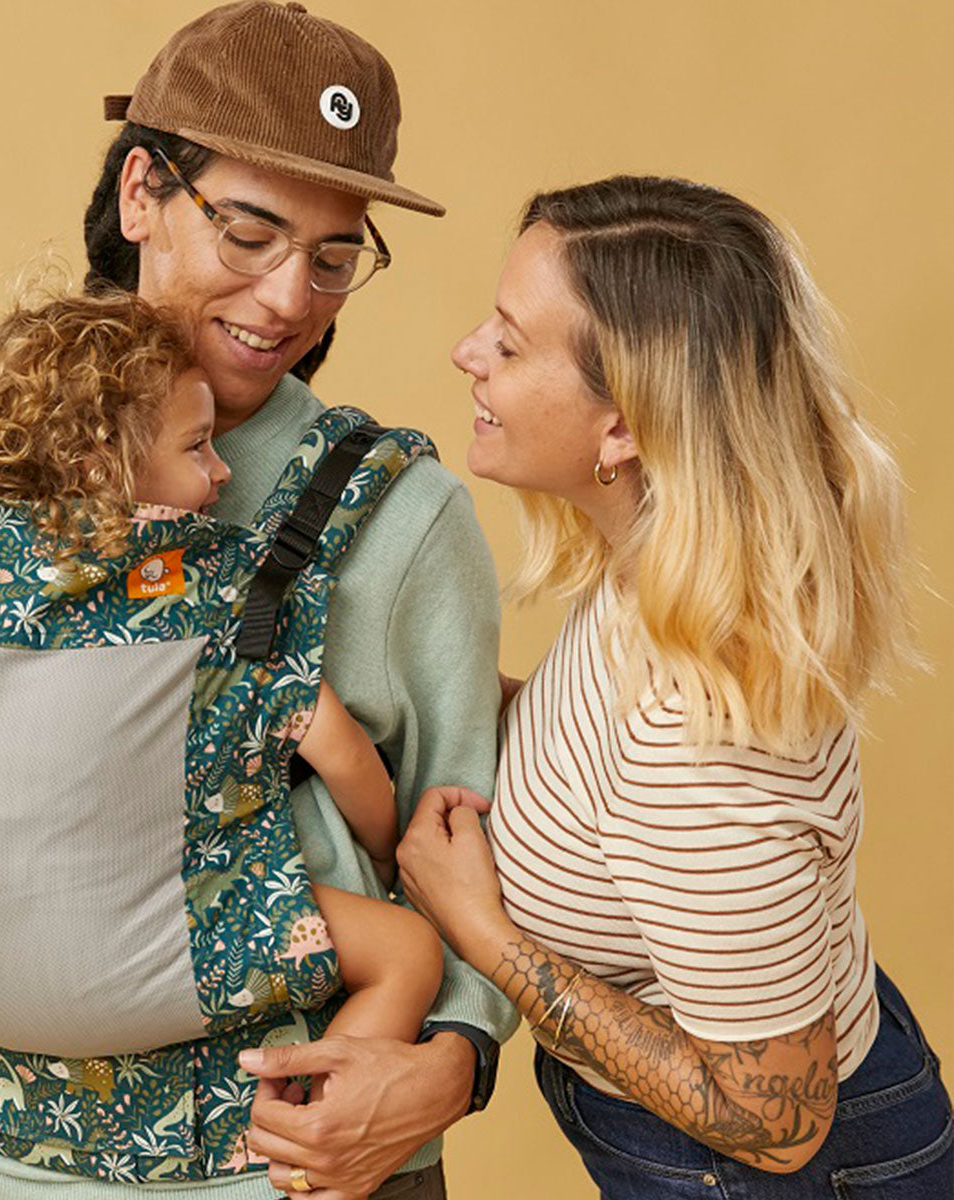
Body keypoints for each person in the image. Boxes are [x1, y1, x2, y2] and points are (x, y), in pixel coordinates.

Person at [0, 4, 515, 1198]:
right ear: (141, 193)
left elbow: (466, 829)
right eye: (249, 232)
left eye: (335, 258)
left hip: (300, 1170)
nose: (288, 299)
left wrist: (458, 1056)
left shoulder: (402, 512)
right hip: (11, 1159)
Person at [398, 175, 954, 1196]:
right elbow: (603, 780)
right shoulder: (662, 569)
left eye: (512, 345)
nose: (467, 352)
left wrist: (485, 933)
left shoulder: (698, 734)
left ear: (624, 429)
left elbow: (771, 1120)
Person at [0, 287, 441, 1078]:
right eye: (197, 447)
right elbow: (340, 754)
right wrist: (382, 856)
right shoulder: (215, 590)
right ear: (102, 467)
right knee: (406, 952)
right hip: (140, 978)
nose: (221, 468)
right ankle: (309, 1125)